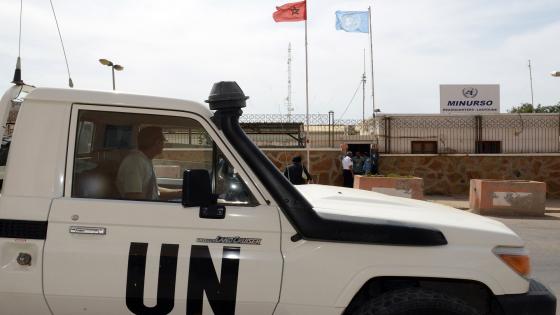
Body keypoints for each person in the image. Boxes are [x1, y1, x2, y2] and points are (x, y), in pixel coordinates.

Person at [116, 126, 181, 201]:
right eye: (163, 141)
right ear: (157, 142)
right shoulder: (135, 162)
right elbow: (133, 197)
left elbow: (154, 192)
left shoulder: (145, 159)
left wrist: (179, 192)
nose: (164, 145)